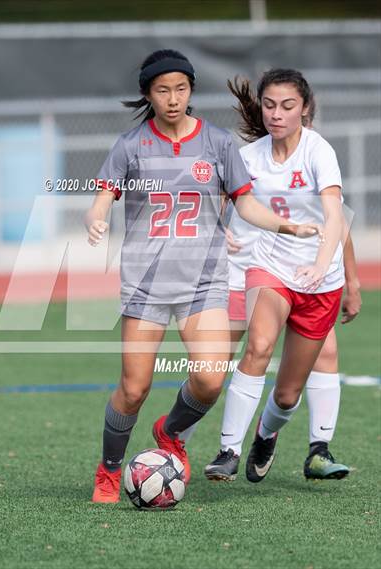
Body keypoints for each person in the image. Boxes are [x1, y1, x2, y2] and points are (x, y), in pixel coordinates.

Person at [85, 52, 320, 503]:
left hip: (204, 281)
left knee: (211, 379)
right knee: (133, 389)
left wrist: (284, 223)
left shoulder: (216, 143)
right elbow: (104, 194)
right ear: (147, 94)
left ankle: (170, 430)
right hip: (146, 284)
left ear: (190, 90)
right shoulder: (131, 144)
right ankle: (109, 470)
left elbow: (245, 203)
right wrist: (96, 215)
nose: (172, 99)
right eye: (161, 90)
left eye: (180, 89)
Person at [202, 68, 357, 484]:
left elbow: (335, 218)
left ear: (304, 109)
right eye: (269, 105)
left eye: (287, 106)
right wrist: (221, 234)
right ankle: (228, 451)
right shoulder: (248, 158)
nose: (276, 114)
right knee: (260, 344)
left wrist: (331, 272)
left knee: (288, 393)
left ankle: (266, 434)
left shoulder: (318, 151)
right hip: (268, 268)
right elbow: (216, 204)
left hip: (319, 280)